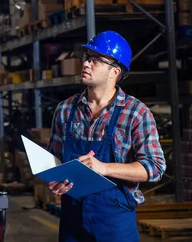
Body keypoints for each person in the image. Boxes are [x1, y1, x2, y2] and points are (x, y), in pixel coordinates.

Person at [47, 31, 166, 241]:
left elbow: (155, 168)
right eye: (86, 57)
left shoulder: (136, 113)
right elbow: (54, 160)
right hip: (72, 221)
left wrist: (104, 167)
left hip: (115, 223)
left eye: (96, 60)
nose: (86, 63)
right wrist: (54, 180)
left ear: (115, 71)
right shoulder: (65, 110)